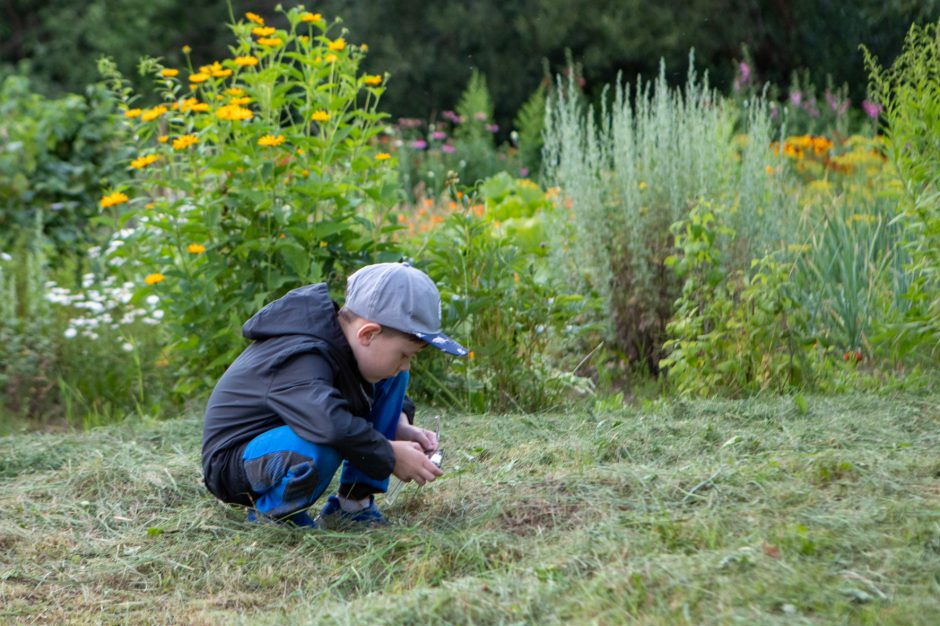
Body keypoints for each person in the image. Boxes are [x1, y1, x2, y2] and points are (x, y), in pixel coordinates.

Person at [201, 261, 468, 528]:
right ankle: (276, 515)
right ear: (368, 334)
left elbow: (362, 398)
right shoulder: (302, 355)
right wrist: (389, 453)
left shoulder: (344, 347)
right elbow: (328, 424)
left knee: (392, 376)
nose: (406, 363)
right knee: (322, 442)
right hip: (235, 462)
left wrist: (399, 424)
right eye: (404, 354)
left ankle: (353, 504)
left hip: (294, 433)